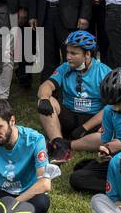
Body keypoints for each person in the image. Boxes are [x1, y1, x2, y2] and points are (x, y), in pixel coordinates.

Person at [37, 30, 110, 162]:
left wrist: (84, 127)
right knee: (47, 100)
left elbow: (110, 106)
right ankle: (59, 144)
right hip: (69, 116)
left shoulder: (104, 72)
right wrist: (44, 99)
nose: (68, 57)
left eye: (73, 53)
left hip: (91, 121)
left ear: (87, 54)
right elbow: (46, 85)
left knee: (107, 136)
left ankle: (69, 145)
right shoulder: (65, 67)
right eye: (67, 52)